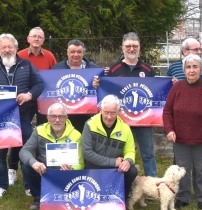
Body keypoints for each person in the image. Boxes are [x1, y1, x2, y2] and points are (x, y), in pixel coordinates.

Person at [0, 33, 43, 200]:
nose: (7, 50)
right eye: (3, 47)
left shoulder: (26, 65)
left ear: (15, 47)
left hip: (22, 117)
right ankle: (1, 186)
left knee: (26, 152)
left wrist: (29, 95)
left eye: (9, 47)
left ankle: (29, 186)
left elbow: (39, 84)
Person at [92, 32, 158, 177]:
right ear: (122, 48)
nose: (131, 49)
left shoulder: (148, 70)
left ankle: (152, 185)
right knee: (121, 154)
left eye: (135, 46)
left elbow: (156, 91)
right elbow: (107, 94)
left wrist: (169, 85)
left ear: (139, 48)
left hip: (144, 120)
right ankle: (122, 183)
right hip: (121, 121)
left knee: (148, 153)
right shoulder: (114, 70)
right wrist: (98, 85)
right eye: (128, 46)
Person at [163, 55, 202, 210]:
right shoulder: (177, 88)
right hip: (180, 140)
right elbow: (167, 111)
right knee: (183, 171)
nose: (192, 70)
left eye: (195, 67)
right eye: (188, 67)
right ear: (184, 70)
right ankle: (184, 197)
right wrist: (170, 130)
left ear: (200, 69)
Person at [19, 103, 84, 210]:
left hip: (65, 174)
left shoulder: (76, 135)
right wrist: (34, 162)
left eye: (61, 116)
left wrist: (72, 169)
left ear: (66, 118)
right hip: (44, 171)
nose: (57, 120)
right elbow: (24, 151)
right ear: (48, 118)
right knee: (27, 165)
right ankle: (38, 198)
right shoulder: (39, 130)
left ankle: (64, 196)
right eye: (53, 116)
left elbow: (81, 164)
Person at [14, 27, 57, 185]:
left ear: (43, 40)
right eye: (34, 36)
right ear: (28, 38)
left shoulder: (50, 56)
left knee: (44, 132)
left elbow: (55, 76)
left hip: (45, 100)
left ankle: (43, 163)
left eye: (40, 37)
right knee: (22, 135)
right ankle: (17, 167)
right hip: (25, 101)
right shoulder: (20, 55)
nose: (37, 39)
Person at [82, 94, 137, 200]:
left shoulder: (125, 128)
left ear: (119, 112)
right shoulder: (89, 124)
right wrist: (113, 162)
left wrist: (128, 161)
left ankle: (122, 198)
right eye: (106, 112)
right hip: (94, 165)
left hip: (115, 167)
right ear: (100, 110)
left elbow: (130, 151)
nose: (109, 117)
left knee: (132, 171)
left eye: (113, 113)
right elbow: (87, 152)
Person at [52, 39, 100, 132]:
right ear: (67, 52)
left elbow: (100, 91)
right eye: (73, 52)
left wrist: (97, 85)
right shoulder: (56, 69)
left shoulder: (93, 69)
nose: (76, 55)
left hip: (86, 113)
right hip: (64, 113)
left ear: (83, 53)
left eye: (79, 52)